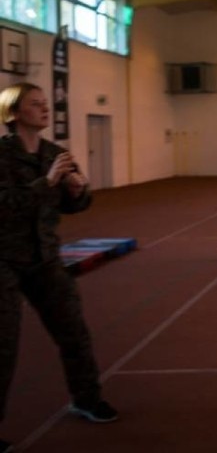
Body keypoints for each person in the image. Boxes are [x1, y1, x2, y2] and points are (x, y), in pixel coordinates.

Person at [0, 83, 118, 452]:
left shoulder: (55, 153)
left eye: (45, 104)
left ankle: (85, 398)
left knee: (74, 332)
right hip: (4, 258)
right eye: (35, 105)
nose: (45, 110)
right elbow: (5, 206)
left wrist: (77, 190)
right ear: (14, 113)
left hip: (45, 257)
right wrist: (48, 182)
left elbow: (74, 206)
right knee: (3, 347)